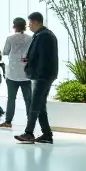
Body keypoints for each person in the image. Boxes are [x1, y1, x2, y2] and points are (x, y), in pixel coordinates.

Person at [15, 11, 58, 145]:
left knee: (34, 104)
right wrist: (29, 60)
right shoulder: (43, 35)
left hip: (43, 75)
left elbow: (45, 58)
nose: (29, 26)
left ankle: (29, 133)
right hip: (44, 74)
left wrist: (38, 72)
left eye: (30, 24)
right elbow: (39, 55)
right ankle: (47, 134)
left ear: (35, 22)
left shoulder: (44, 36)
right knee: (40, 105)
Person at [0, 17, 31, 130]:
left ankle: (8, 121)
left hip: (12, 74)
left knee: (11, 99)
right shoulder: (30, 38)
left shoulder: (10, 38)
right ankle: (30, 121)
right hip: (26, 74)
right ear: (25, 26)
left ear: (14, 26)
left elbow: (5, 52)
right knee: (28, 100)